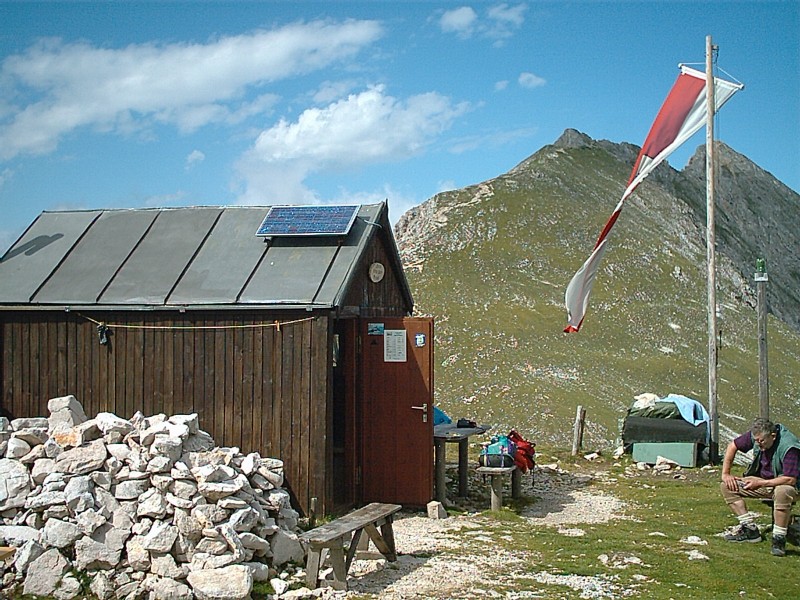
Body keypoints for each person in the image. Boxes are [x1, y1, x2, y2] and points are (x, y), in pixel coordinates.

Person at [721, 418, 800, 556]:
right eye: (755, 441)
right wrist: (726, 474)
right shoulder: (759, 436)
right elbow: (733, 445)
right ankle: (750, 529)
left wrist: (761, 483)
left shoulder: (789, 446)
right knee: (727, 487)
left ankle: (778, 540)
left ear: (773, 436)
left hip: (790, 486)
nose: (758, 444)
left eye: (761, 441)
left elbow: (790, 479)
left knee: (782, 491)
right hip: (764, 481)